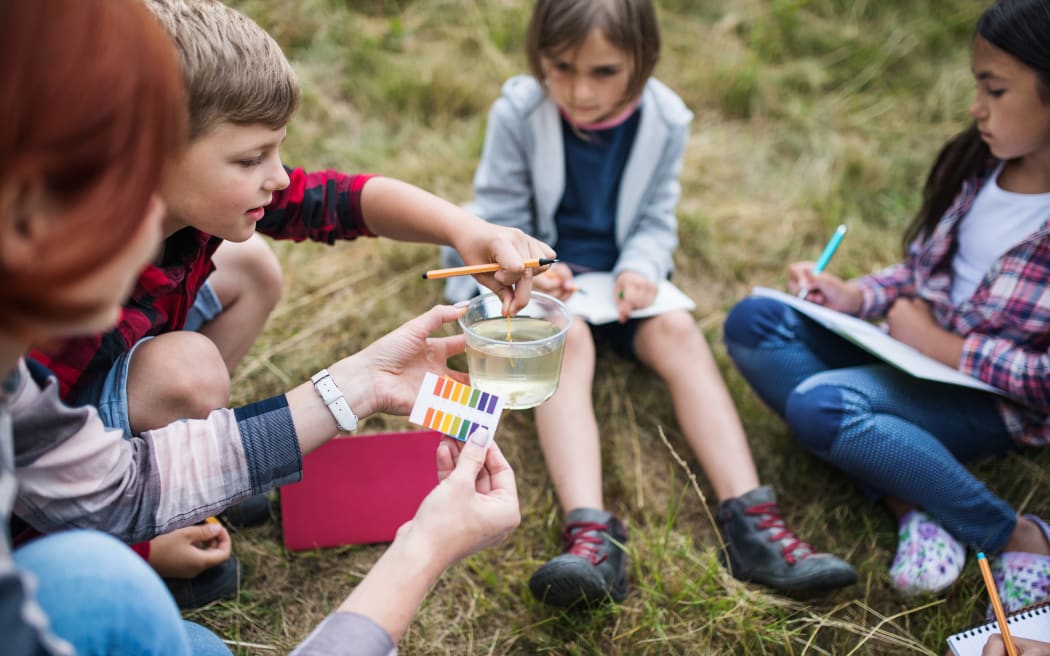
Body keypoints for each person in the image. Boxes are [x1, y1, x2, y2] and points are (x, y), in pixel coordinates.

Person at [2, 2, 520, 653]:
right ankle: (157, 525)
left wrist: (462, 229)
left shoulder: (36, 348)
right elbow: (60, 493)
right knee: (186, 372)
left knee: (251, 264)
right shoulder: (52, 342)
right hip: (74, 478)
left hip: (87, 452)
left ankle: (204, 477)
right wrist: (140, 541)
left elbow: (334, 197)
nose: (277, 178)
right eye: (251, 159)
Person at [442, 0, 857, 609]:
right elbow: (499, 215)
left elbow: (657, 218)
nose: (580, 90)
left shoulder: (666, 117)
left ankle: (755, 527)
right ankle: (591, 536)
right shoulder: (519, 112)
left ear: (642, 61)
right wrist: (533, 268)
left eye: (604, 72)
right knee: (571, 342)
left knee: (680, 333)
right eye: (561, 67)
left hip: (621, 284)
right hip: (536, 282)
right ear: (539, 57)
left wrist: (640, 266)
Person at [723, 0, 1050, 610]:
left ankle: (1017, 537)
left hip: (989, 401)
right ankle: (913, 500)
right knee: (754, 321)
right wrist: (857, 296)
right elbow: (925, 271)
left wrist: (941, 346)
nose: (976, 106)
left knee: (821, 405)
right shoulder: (980, 165)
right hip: (910, 353)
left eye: (995, 89)